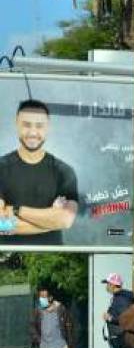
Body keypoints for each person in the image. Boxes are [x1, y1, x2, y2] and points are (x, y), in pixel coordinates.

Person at [0, 99, 79, 245]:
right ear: (16, 124)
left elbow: (65, 220)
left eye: (39, 126)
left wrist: (17, 210)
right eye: (26, 125)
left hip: (53, 255)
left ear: (48, 127)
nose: (32, 132)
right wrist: (51, 222)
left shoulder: (63, 171)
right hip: (7, 255)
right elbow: (1, 225)